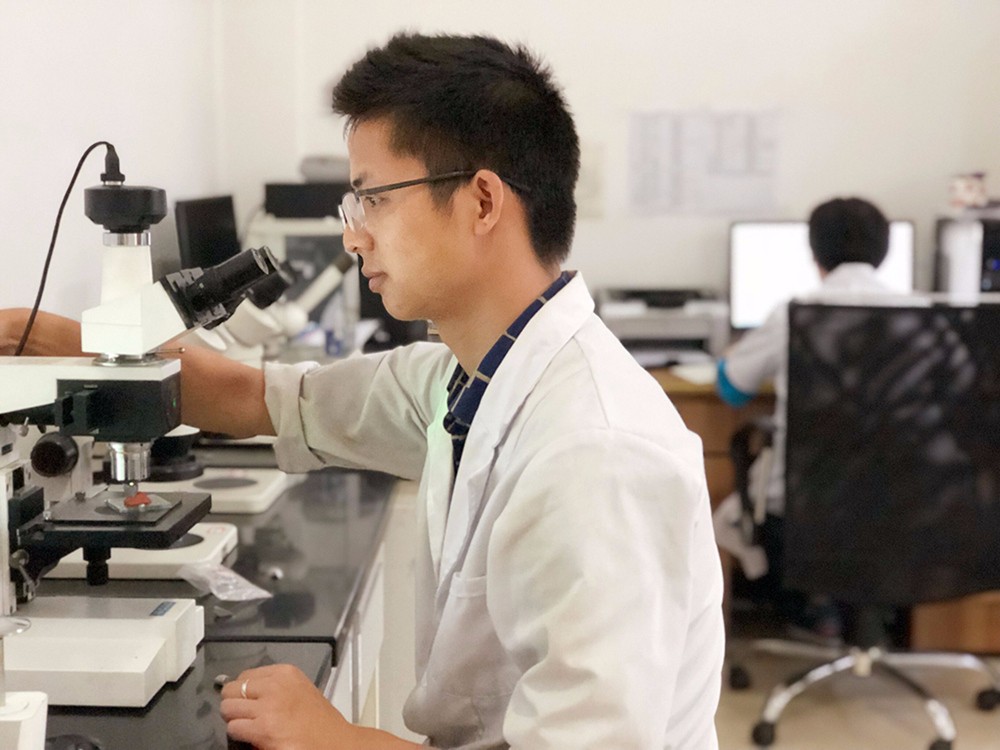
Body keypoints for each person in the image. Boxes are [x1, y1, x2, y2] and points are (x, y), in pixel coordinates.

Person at [1, 33, 723, 749]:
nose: (353, 238)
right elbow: (263, 397)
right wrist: (61, 343)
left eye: (372, 200)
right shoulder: (467, 381)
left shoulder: (595, 452)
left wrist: (335, 739)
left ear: (481, 202)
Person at [715, 196, 895, 641]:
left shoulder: (794, 313)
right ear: (884, 252)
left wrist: (736, 351)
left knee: (720, 517)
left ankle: (810, 610)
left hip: (803, 506)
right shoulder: (926, 317)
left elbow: (732, 388)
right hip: (903, 505)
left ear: (815, 253)